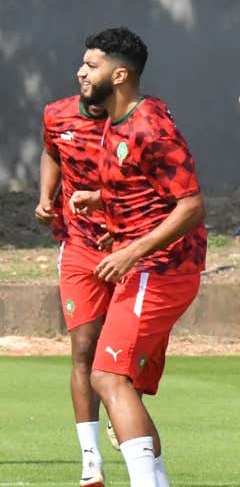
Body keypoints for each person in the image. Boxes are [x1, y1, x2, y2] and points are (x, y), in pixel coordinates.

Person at [69, 27, 206, 487]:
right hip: (147, 268)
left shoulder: (150, 125)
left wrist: (131, 251)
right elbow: (147, 189)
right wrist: (103, 199)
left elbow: (190, 207)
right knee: (122, 385)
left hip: (161, 270)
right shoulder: (118, 119)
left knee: (106, 378)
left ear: (120, 74)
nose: (81, 72)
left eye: (92, 65)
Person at [37, 84, 112, 487]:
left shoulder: (140, 121)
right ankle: (90, 457)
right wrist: (45, 195)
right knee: (83, 348)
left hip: (133, 247)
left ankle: (123, 408)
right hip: (80, 247)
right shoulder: (57, 114)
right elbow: (51, 153)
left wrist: (121, 224)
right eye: (84, 68)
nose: (86, 76)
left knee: (124, 355)